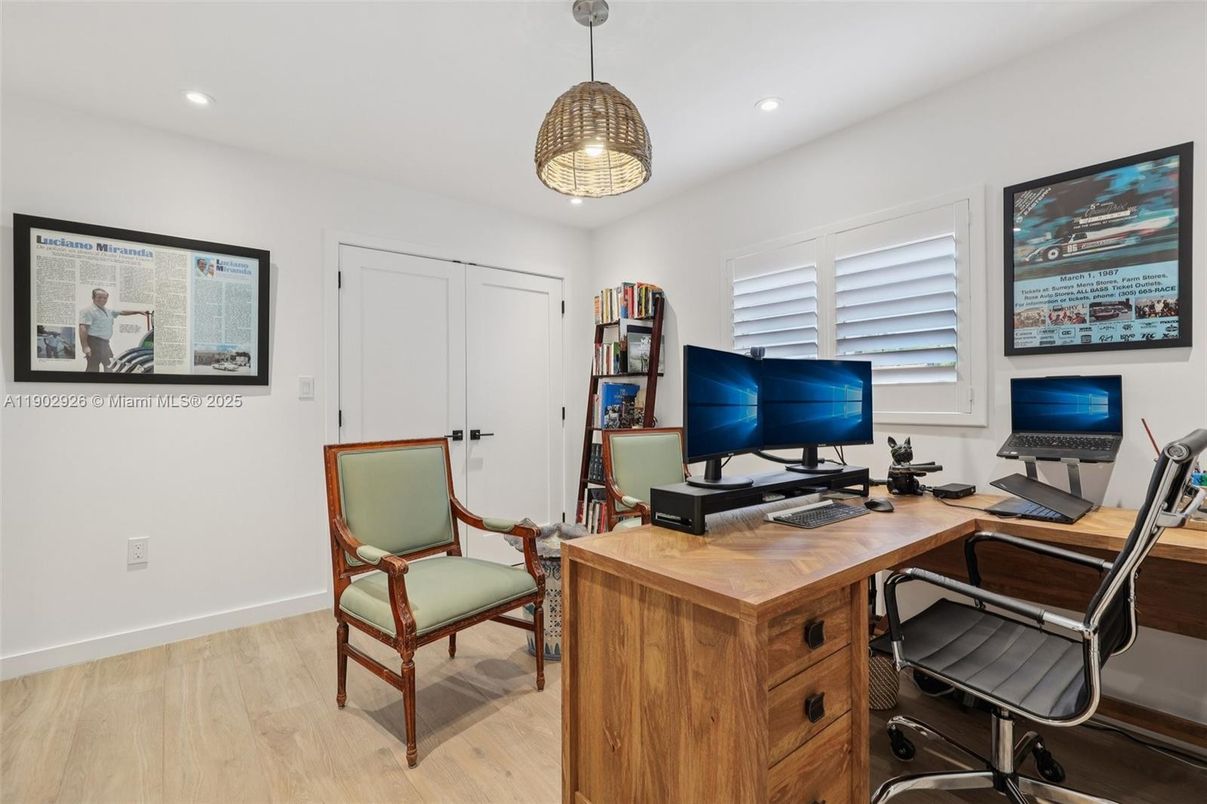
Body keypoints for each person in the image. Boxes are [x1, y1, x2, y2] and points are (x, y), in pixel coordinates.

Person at [78, 289, 148, 372]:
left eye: (105, 298)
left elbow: (122, 312)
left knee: (110, 365)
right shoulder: (87, 311)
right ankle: (89, 384)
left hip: (105, 343)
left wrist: (138, 312)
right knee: (93, 366)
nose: (102, 300)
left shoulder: (108, 311)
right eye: (99, 297)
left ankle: (108, 383)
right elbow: (83, 328)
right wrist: (85, 347)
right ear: (93, 297)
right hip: (93, 342)